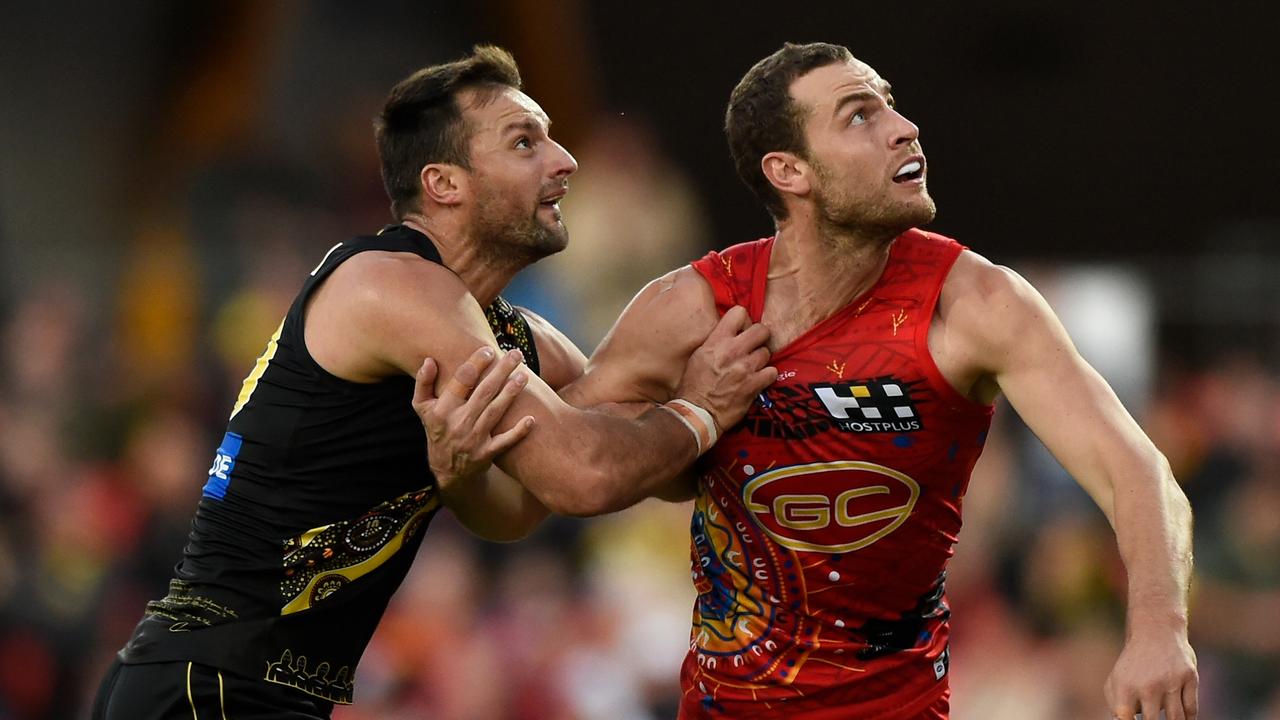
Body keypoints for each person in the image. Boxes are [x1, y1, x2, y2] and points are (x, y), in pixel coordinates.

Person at [422, 42, 1198, 719]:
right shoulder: (692, 310)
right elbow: (537, 499)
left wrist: (1159, 628)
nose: (904, 127)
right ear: (789, 171)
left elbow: (1137, 472)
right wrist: (459, 480)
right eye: (859, 116)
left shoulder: (976, 304)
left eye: (891, 107)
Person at [91, 46, 775, 719]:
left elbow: (544, 497)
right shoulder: (388, 283)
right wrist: (701, 408)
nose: (565, 162)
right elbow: (588, 472)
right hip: (203, 684)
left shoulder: (506, 333)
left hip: (264, 693)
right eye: (524, 142)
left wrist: (466, 479)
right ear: (445, 183)